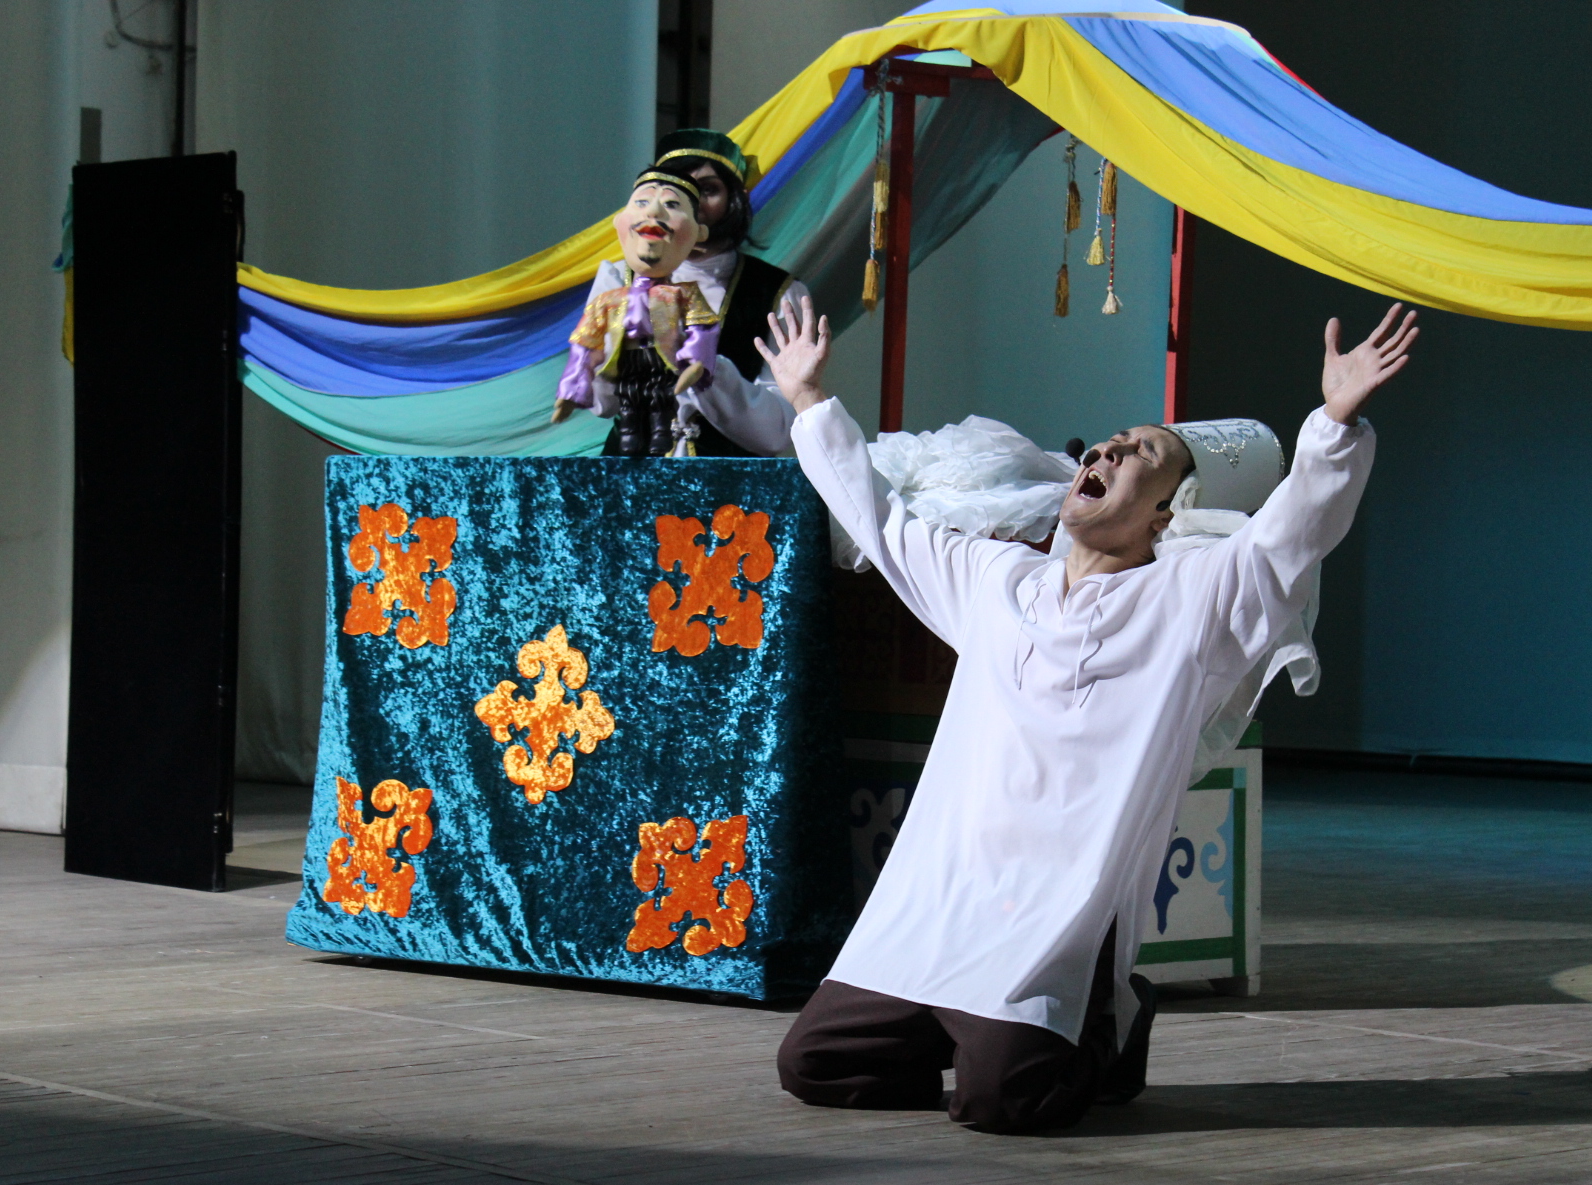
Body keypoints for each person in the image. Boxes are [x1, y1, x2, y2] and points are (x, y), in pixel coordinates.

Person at [758, 296, 1419, 1134]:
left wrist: (1332, 424)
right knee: (814, 1064)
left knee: (1006, 1103)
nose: (1109, 450)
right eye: (1108, 443)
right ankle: (960, 1026)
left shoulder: (1193, 598)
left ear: (1167, 512)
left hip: (1055, 912)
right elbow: (882, 520)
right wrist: (809, 399)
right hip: (946, 900)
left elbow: (1291, 538)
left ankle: (1102, 1023)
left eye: (1143, 453)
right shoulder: (995, 580)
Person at [584, 129, 811, 457]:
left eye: (706, 190)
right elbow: (600, 404)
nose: (689, 201)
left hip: (728, 483)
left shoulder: (778, 293)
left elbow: (776, 433)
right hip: (632, 477)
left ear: (736, 199)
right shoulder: (619, 278)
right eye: (675, 190)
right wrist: (619, 348)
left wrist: (703, 364)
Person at [553, 166, 720, 458]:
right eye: (642, 202)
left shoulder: (683, 294)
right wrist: (572, 389)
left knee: (661, 402)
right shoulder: (609, 298)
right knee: (629, 402)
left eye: (672, 204)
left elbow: (702, 327)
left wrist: (696, 361)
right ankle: (631, 437)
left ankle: (660, 436)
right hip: (627, 362)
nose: (653, 211)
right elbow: (585, 342)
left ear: (698, 232)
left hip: (663, 362)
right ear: (619, 222)